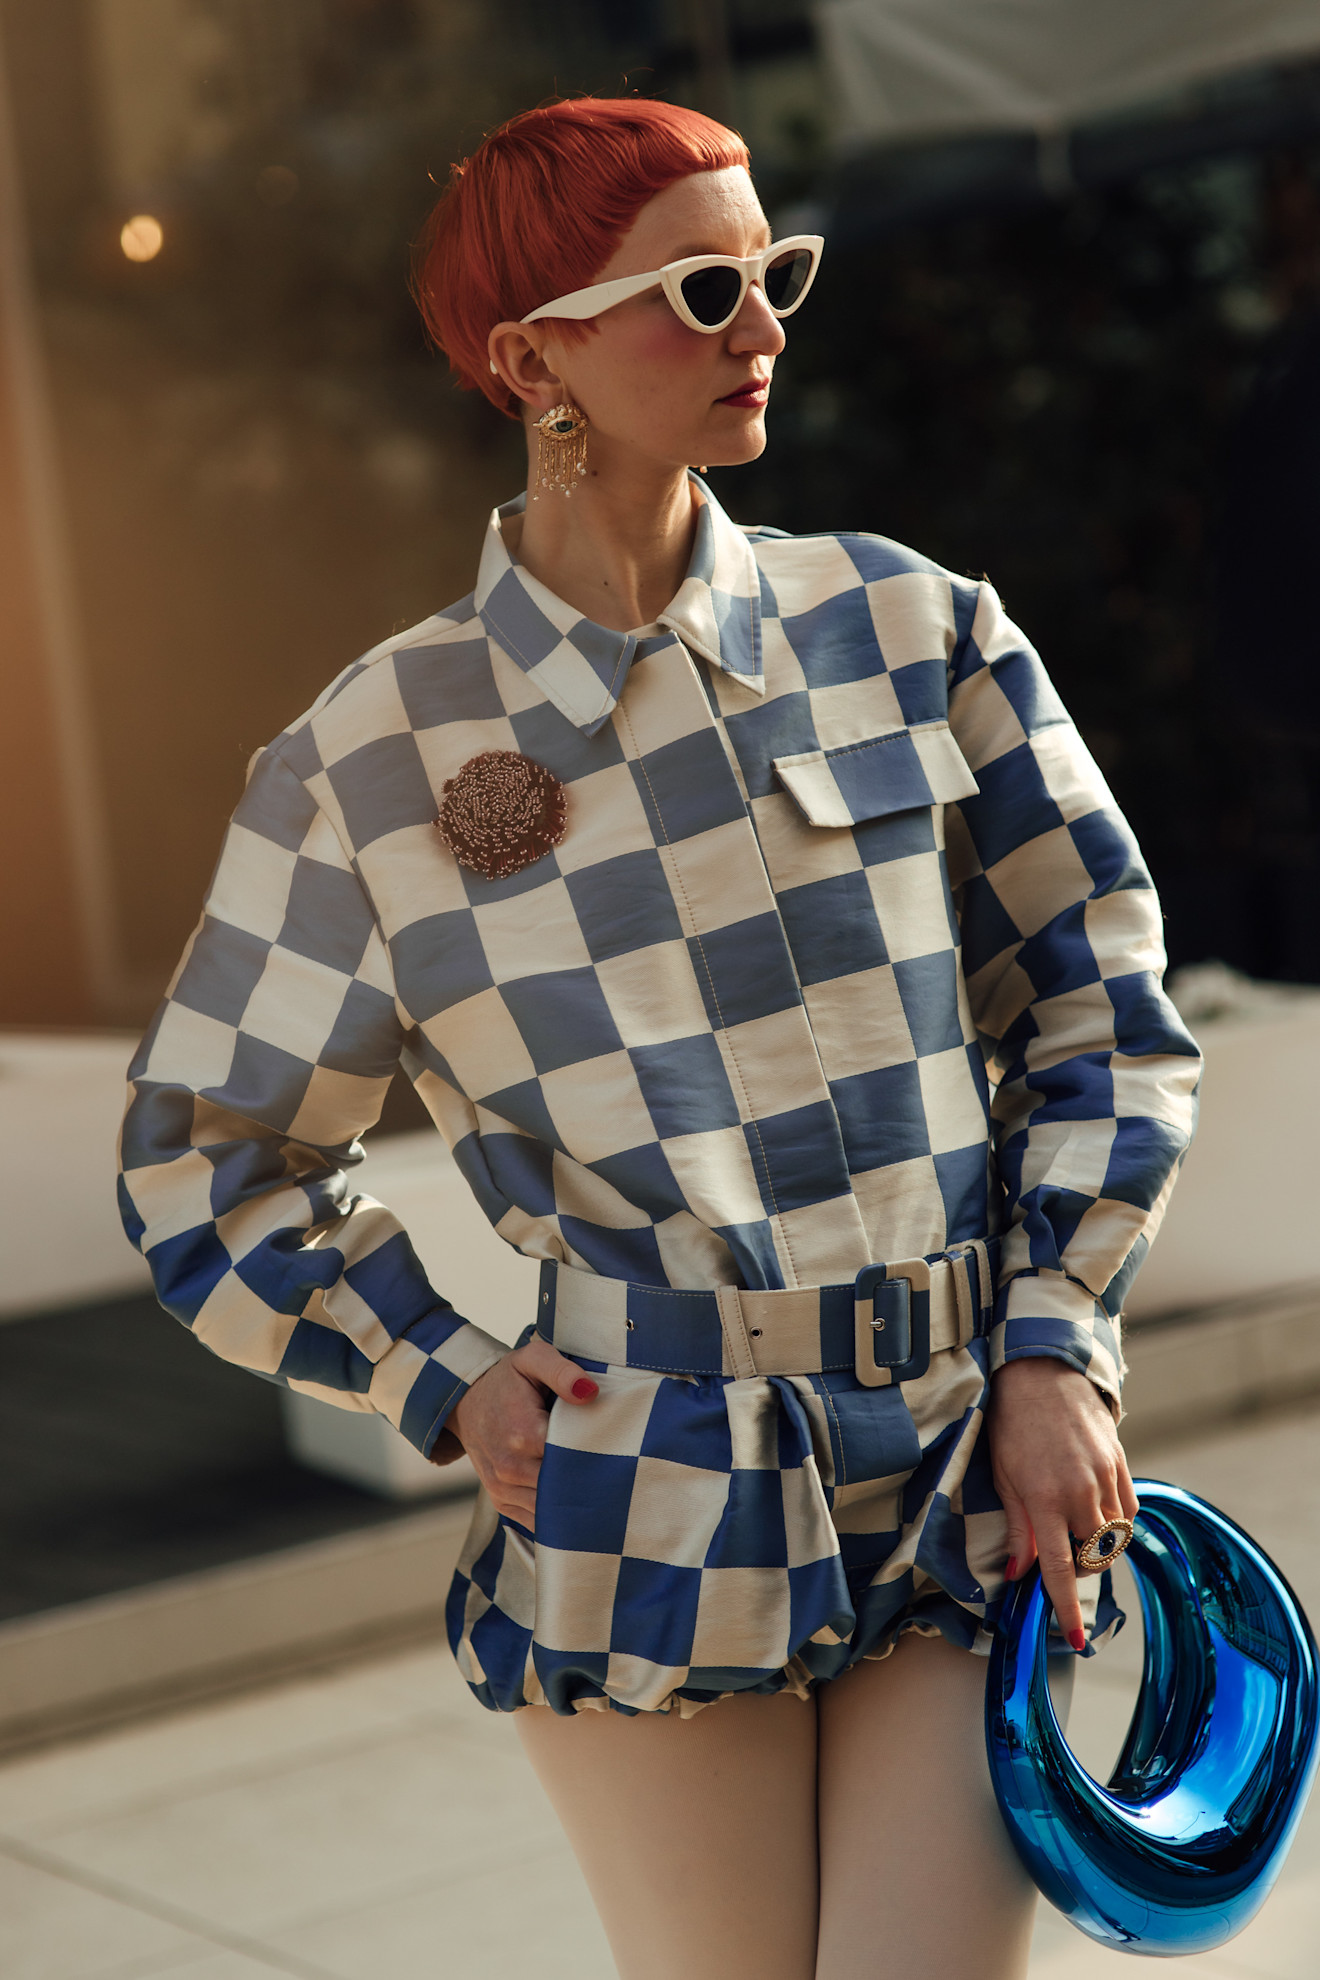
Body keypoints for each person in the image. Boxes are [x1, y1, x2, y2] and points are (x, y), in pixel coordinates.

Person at [119, 96, 1201, 1980]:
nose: (764, 327)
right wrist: (443, 1374)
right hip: (655, 1500)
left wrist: (1060, 1354)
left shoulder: (913, 627)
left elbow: (1104, 1003)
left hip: (962, 1457)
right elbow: (204, 1161)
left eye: (772, 274)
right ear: (533, 357)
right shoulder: (371, 764)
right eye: (701, 290)